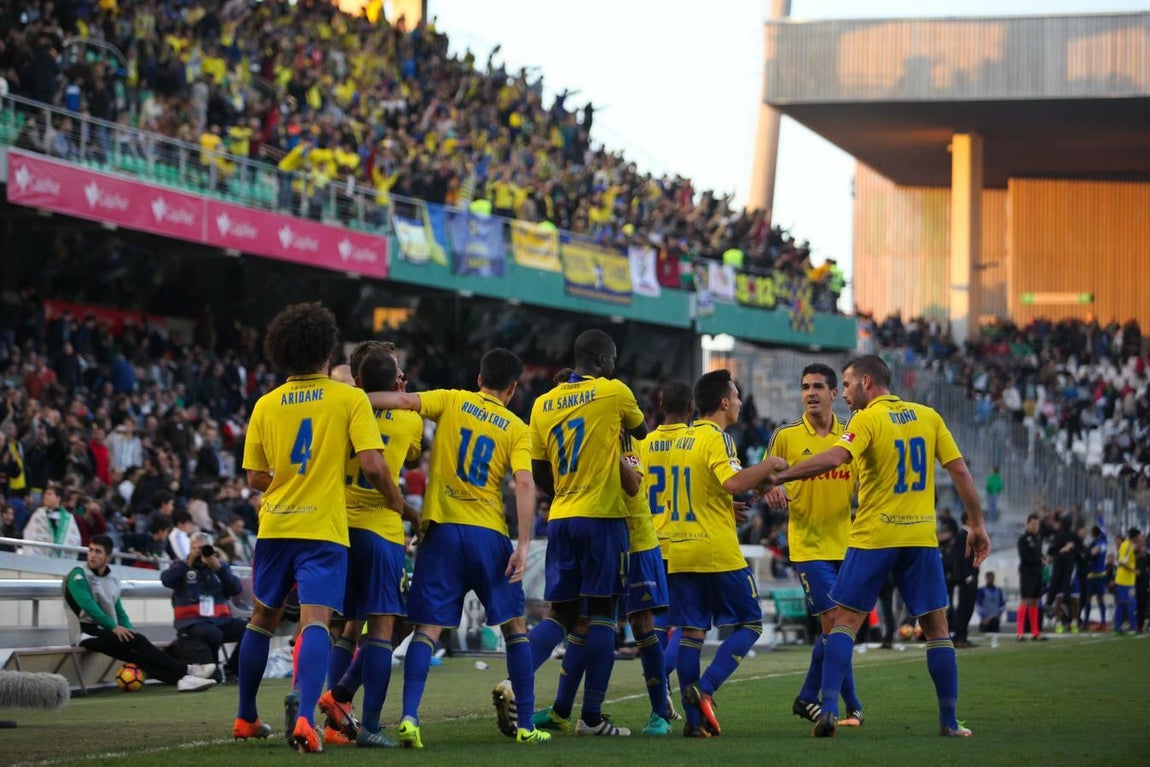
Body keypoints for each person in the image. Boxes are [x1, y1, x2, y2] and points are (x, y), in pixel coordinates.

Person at [767, 355, 990, 738]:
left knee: (844, 623)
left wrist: (782, 474)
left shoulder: (866, 419)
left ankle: (830, 709)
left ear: (866, 382)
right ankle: (950, 722)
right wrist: (977, 525)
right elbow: (960, 470)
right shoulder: (928, 416)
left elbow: (836, 457)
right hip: (920, 538)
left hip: (874, 536)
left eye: (849, 385)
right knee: (938, 630)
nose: (847, 396)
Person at [231, 302, 405, 752]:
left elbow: (254, 477)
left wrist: (288, 484)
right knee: (315, 620)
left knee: (262, 620)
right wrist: (398, 502)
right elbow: (372, 464)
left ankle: (245, 717)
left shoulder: (265, 404)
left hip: (275, 525)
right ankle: (307, 719)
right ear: (328, 349)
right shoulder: (349, 399)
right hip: (323, 527)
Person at [364, 348, 551, 747]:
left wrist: (346, 396)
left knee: (426, 629)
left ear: (479, 377)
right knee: (516, 628)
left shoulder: (452, 399)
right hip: (487, 534)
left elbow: (398, 400)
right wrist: (521, 544)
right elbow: (523, 483)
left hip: (442, 531)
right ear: (513, 388)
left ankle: (411, 718)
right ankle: (525, 726)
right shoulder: (517, 427)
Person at [531, 374, 674, 737]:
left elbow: (632, 483)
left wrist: (605, 451)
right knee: (582, 622)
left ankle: (660, 711)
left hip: (636, 536)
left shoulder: (622, 434)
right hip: (601, 530)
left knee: (640, 626)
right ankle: (565, 710)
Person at [522, 329, 646, 737]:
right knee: (604, 615)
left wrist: (567, 489)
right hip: (602, 517)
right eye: (612, 359)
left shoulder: (542, 403)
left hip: (561, 516)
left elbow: (540, 471)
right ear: (603, 359)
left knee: (562, 613)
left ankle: (513, 681)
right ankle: (591, 718)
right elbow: (639, 431)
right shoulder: (613, 391)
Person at [665, 369, 786, 737]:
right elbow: (732, 482)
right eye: (735, 396)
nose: (738, 402)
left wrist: (748, 490)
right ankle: (707, 687)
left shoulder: (683, 439)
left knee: (691, 633)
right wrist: (769, 465)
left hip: (680, 548)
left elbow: (706, 490)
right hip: (714, 549)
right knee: (750, 622)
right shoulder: (718, 437)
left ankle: (693, 720)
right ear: (723, 402)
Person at [318, 342, 423, 748]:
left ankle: (333, 721)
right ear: (395, 381)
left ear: (357, 379)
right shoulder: (408, 419)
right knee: (381, 628)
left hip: (335, 527)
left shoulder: (339, 406)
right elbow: (412, 461)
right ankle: (370, 725)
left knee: (341, 623)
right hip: (381, 529)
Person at [763, 363, 863, 727]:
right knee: (837, 624)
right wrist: (772, 487)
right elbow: (765, 476)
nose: (810, 393)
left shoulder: (853, 434)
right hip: (808, 545)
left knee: (839, 630)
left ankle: (817, 700)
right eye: (805, 386)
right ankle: (835, 704)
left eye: (818, 386)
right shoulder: (786, 436)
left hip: (847, 545)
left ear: (835, 393)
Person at [63, 534, 218, 692]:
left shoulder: (112, 579)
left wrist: (130, 630)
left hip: (105, 630)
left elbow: (119, 611)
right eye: (90, 550)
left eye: (98, 552)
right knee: (136, 644)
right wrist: (115, 627)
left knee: (136, 654)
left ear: (107, 557)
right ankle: (188, 671)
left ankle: (184, 680)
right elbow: (88, 606)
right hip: (85, 633)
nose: (92, 555)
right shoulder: (78, 575)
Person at [160, 532, 246, 679]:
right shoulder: (181, 566)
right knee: (212, 633)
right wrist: (188, 562)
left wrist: (219, 569)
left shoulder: (219, 567)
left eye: (203, 548)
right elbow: (167, 580)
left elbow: (235, 589)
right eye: (195, 548)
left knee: (251, 631)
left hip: (220, 620)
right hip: (192, 622)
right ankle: (213, 668)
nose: (200, 552)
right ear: (190, 549)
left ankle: (233, 668)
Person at [23, 485, 81, 558]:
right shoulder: (38, 515)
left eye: (49, 494)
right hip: (40, 558)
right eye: (45, 494)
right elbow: (30, 534)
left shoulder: (68, 518)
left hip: (61, 559)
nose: (46, 496)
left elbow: (74, 537)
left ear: (58, 498)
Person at [948, 512, 979, 647]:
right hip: (965, 578)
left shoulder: (969, 535)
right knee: (963, 607)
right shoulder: (962, 535)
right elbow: (960, 558)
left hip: (971, 575)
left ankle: (963, 636)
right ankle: (959, 637)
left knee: (969, 607)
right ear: (967, 519)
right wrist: (967, 575)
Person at [1017, 513, 1045, 641]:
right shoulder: (1023, 539)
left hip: (1037, 572)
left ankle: (1035, 632)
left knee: (1035, 600)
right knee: (1025, 600)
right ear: (1028, 524)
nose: (1035, 527)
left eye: (1037, 524)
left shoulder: (1038, 539)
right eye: (1033, 524)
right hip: (1027, 573)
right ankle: (1020, 632)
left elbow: (1039, 555)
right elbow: (1025, 557)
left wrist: (1043, 560)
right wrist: (1039, 561)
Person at [1113, 527, 1141, 634]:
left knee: (1122, 604)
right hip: (1126, 581)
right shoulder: (1127, 546)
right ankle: (1132, 627)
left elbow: (1127, 560)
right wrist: (1134, 571)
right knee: (1131, 603)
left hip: (1124, 580)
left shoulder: (1127, 545)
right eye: (1138, 536)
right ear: (1135, 537)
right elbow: (1123, 563)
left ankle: (1118, 626)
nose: (1139, 538)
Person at [1083, 525, 1108, 628]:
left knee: (1088, 598)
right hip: (1102, 574)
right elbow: (1103, 528)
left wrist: (1086, 553)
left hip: (1093, 574)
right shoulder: (1104, 541)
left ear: (1093, 534)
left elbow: (1092, 553)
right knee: (1101, 598)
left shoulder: (1096, 543)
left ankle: (1085, 622)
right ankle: (1103, 621)